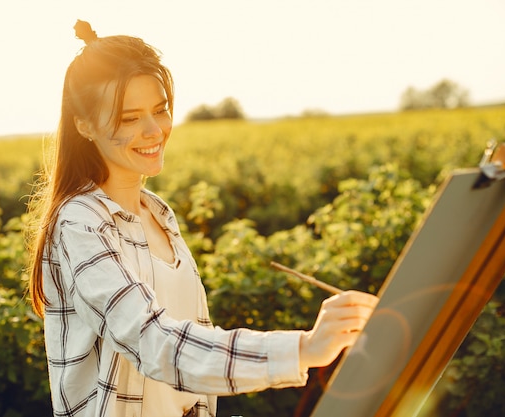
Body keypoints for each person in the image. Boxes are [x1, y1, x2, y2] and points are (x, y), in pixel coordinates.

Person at [26, 20, 379, 417]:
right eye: (129, 118)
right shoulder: (80, 224)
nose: (153, 130)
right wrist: (304, 348)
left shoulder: (158, 213)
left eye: (160, 110)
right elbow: (154, 342)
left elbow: (187, 362)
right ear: (84, 125)